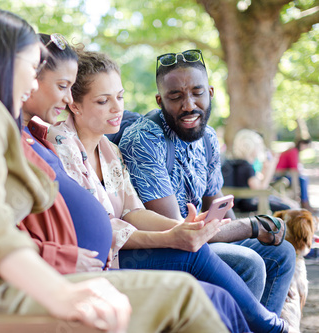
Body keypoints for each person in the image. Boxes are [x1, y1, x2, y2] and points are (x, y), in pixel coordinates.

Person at [0, 9, 229, 333]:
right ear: (4, 61)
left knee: (187, 293)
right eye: (32, 66)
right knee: (184, 295)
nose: (34, 79)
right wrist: (61, 293)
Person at [19, 34, 250, 332]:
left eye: (120, 96)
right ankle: (269, 327)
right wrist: (170, 237)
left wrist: (177, 227)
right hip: (100, 262)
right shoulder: (59, 145)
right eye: (104, 101)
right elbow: (102, 223)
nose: (118, 109)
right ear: (73, 104)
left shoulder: (110, 150)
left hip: (114, 255)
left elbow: (132, 211)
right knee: (203, 262)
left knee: (243, 265)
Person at [118, 49, 295, 316]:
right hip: (164, 247)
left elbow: (219, 205)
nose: (188, 105)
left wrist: (245, 231)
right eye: (175, 97)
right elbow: (181, 231)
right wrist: (251, 226)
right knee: (247, 262)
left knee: (282, 253)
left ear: (210, 92)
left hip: (200, 240)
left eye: (197, 93)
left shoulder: (209, 138)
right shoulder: (144, 141)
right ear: (160, 100)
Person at [222, 129, 295, 212]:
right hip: (247, 203)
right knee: (289, 208)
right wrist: (271, 168)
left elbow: (257, 183)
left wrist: (265, 169)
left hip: (239, 202)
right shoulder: (247, 167)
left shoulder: (237, 163)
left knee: (285, 203)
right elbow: (260, 190)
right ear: (251, 147)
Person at [276, 137, 317, 213]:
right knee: (303, 179)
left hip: (286, 173)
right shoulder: (293, 151)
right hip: (280, 175)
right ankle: (304, 203)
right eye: (306, 146)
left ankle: (305, 202)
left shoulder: (294, 151)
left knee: (303, 178)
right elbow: (294, 168)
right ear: (302, 144)